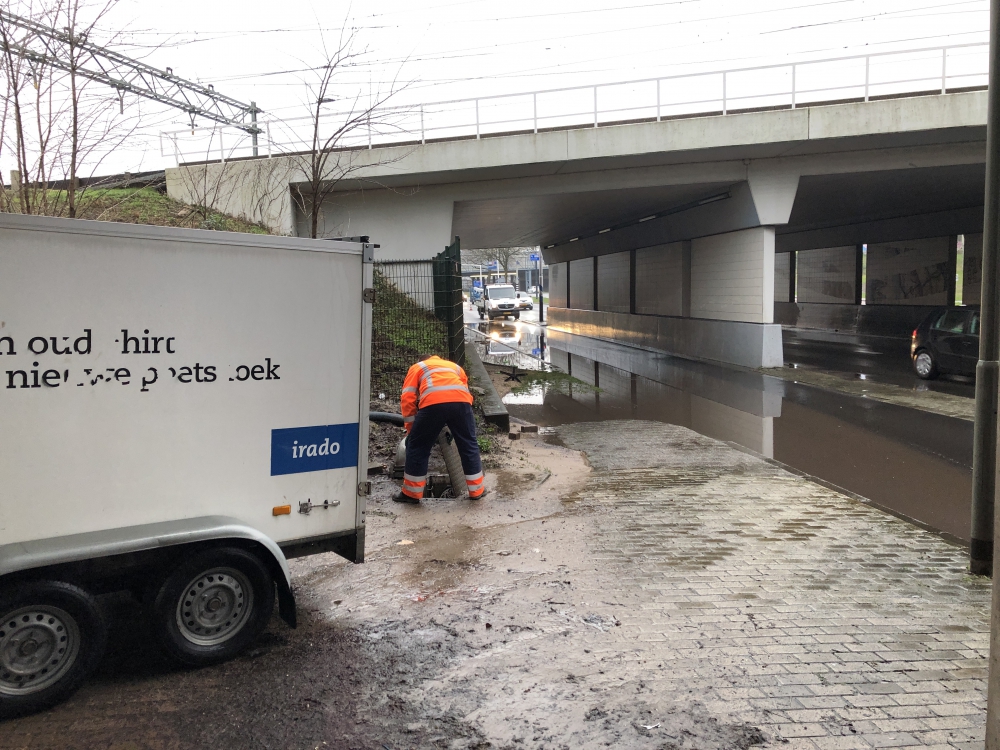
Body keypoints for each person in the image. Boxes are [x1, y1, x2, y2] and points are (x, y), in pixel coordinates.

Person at [394, 353, 486, 503]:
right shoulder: (455, 367)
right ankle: (477, 491)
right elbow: (461, 388)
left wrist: (411, 428)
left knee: (418, 446)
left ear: (421, 360)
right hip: (462, 403)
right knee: (469, 444)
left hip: (432, 403)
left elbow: (408, 397)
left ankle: (411, 494)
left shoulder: (417, 367)